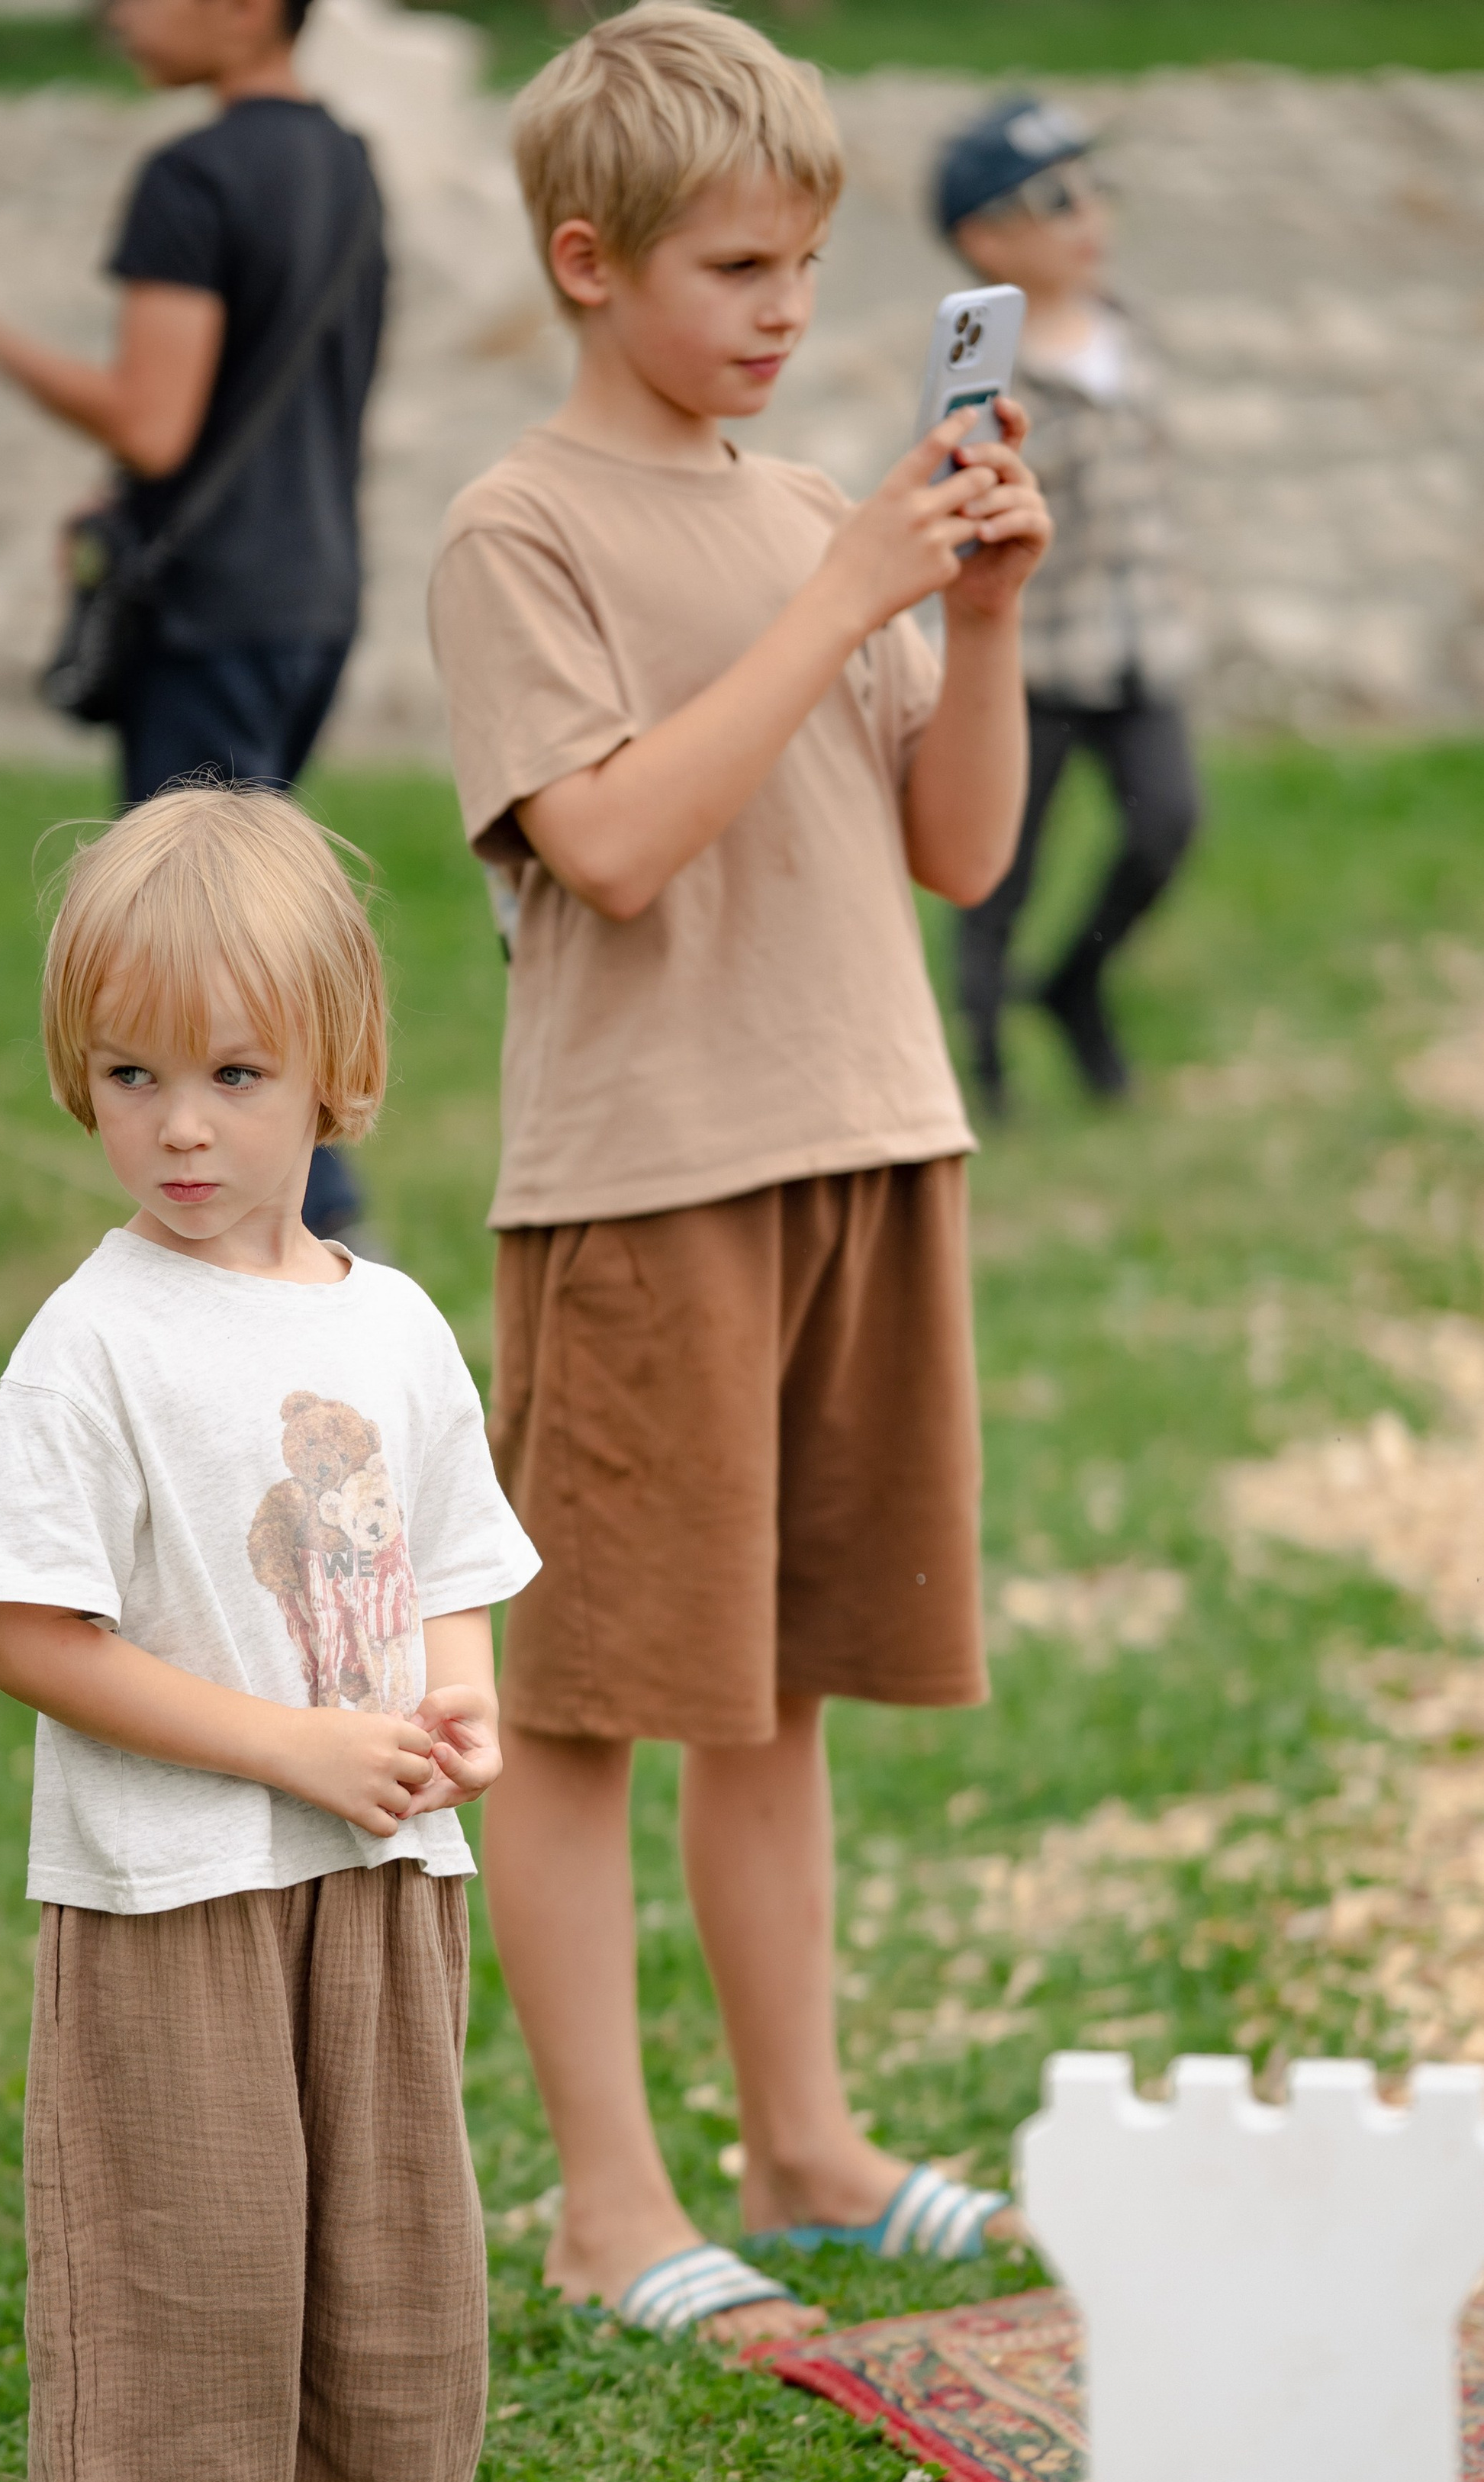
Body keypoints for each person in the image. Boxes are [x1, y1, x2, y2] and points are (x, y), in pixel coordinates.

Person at [427, 2, 1050, 2352]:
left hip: (866, 1145)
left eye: (809, 265)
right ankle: (609, 2199)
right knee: (592, 1698)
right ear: (590, 264)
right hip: (648, 1187)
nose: (789, 314)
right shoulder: (523, 530)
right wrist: (846, 601)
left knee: (776, 1692)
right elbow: (604, 841)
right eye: (736, 270)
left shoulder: (819, 517)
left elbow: (963, 856)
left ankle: (802, 2141)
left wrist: (971, 613)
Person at [0, 787, 542, 2482]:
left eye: (232, 1072)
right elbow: (28, 1629)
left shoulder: (389, 1324)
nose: (180, 1122)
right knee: (187, 2263)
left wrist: (454, 1710)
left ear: (337, 1075)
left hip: (378, 1867)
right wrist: (291, 1745)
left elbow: (454, 1566)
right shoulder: (94, 1340)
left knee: (389, 2249)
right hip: (171, 1882)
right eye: (131, 1073)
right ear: (79, 1080)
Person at [0, 0, 384, 1236]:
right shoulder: (345, 161)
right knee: (256, 922)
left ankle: (307, 1231)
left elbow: (155, 420)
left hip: (211, 609)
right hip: (316, 591)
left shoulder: (193, 174)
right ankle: (301, 1222)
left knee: (200, 946)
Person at [936, 97, 1199, 1110]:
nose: (1087, 215)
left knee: (1167, 823)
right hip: (1036, 658)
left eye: (1094, 189)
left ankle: (1076, 986)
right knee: (1002, 866)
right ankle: (985, 1061)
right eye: (1053, 199)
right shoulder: (986, 377)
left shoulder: (1128, 329)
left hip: (1139, 645)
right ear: (984, 238)